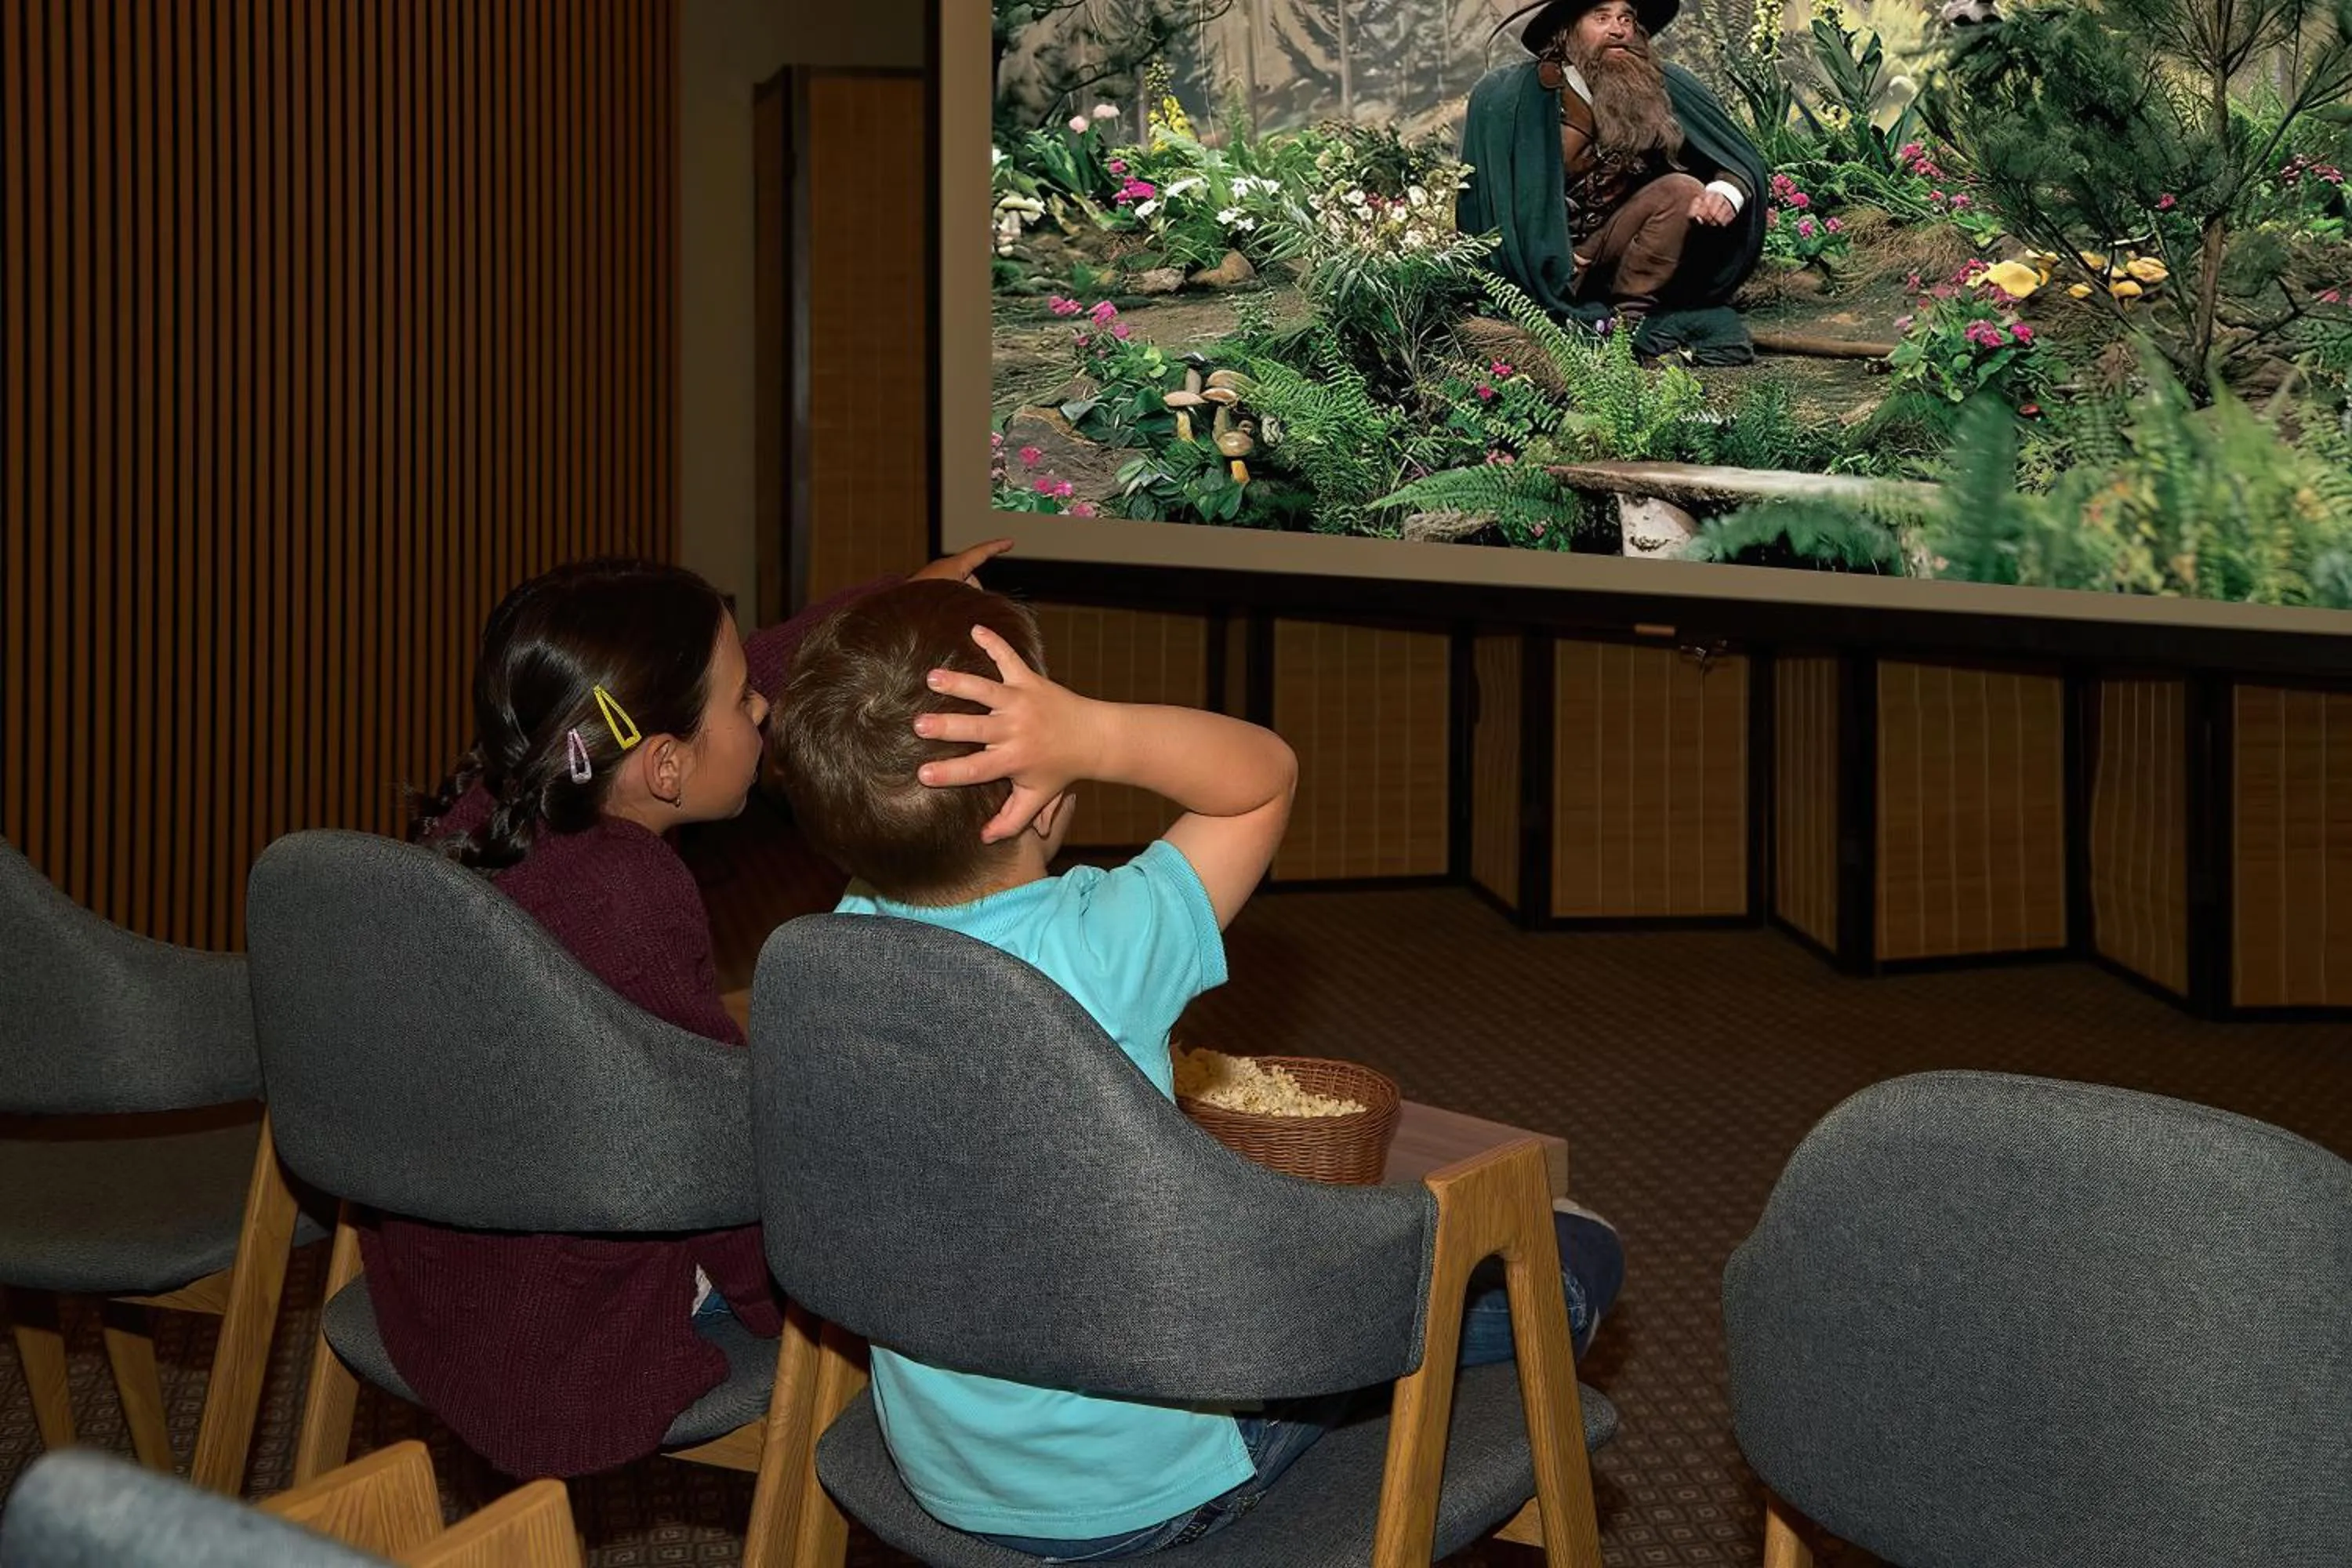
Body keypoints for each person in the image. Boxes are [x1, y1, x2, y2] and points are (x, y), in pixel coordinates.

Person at [775, 579, 1625, 1559]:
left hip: (943, 1468)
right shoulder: (1104, 946)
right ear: (1036, 788)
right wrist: (1094, 733)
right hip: (1149, 1485)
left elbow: (880, 762)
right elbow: (1262, 774)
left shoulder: (837, 945)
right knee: (1562, 1262)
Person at [366, 541, 1008, 1480]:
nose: (766, 710)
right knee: (904, 1157)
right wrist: (812, 1307)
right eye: (748, 704)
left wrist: (891, 595)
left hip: (448, 1295)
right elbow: (708, 1155)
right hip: (574, 1344)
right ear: (666, 766)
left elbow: (726, 664)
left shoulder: (487, 807)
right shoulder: (631, 898)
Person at [1460, 0, 1769, 363]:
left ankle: (1628, 325)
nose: (1618, 29)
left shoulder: (1658, 87)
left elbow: (1733, 158)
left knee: (1682, 191)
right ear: (1566, 29)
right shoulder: (1518, 97)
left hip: (1618, 251)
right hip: (1543, 265)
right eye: (1601, 17)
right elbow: (1490, 201)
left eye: (1626, 18)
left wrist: (1724, 192)